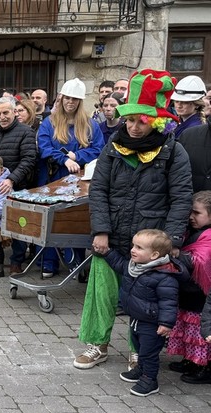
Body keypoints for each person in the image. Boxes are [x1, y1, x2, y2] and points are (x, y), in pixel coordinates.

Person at [74, 69, 193, 370]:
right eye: (130, 120)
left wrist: (171, 242)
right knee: (101, 294)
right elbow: (98, 190)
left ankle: (138, 350)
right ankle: (97, 344)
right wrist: (100, 230)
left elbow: (181, 199)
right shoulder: (112, 148)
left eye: (142, 120)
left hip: (149, 244)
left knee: (143, 302)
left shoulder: (173, 151)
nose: (134, 126)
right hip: (112, 237)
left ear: (155, 122)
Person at [36, 78, 104, 278]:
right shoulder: (50, 122)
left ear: (80, 101)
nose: (70, 102)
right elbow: (44, 148)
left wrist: (78, 157)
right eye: (67, 98)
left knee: (75, 220)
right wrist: (64, 159)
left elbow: (98, 149)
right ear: (61, 98)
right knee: (50, 221)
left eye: (74, 99)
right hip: (52, 176)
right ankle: (48, 262)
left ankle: (77, 263)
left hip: (79, 179)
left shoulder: (91, 125)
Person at [100, 229, 182, 396]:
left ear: (154, 255)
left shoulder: (165, 276)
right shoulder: (135, 266)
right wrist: (107, 253)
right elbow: (119, 265)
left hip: (152, 323)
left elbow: (169, 302)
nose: (132, 250)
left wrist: (166, 323)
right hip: (137, 318)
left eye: (139, 247)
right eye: (133, 245)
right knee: (138, 346)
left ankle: (150, 380)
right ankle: (141, 370)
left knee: (148, 353)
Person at [0, 96, 37, 274]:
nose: (2, 117)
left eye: (6, 113)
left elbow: (29, 159)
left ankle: (16, 261)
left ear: (14, 112)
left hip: (16, 187)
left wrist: (11, 179)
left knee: (16, 226)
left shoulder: (26, 132)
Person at [166, 190, 211, 384]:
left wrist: (177, 256)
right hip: (188, 292)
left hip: (201, 296)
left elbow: (202, 260)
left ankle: (206, 367)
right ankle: (191, 359)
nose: (191, 217)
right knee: (188, 329)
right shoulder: (190, 231)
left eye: (197, 213)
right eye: (190, 212)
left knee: (200, 333)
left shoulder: (208, 236)